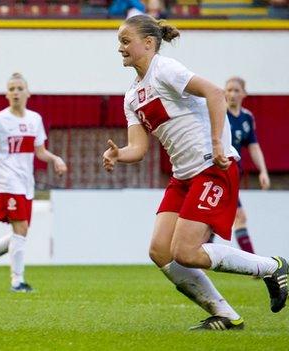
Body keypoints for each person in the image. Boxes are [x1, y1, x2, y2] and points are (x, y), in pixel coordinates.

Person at [102, 15, 287, 330]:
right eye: (119, 41)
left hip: (211, 167)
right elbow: (139, 148)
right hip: (183, 177)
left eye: (125, 41)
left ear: (148, 43)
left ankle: (273, 267)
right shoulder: (131, 96)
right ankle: (226, 315)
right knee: (160, 251)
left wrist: (217, 143)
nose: (120, 48)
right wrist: (119, 154)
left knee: (185, 251)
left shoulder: (165, 69)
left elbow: (215, 93)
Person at [0, 73, 67, 293]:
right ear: (7, 94)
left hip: (25, 182)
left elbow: (40, 152)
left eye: (19, 88)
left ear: (27, 93)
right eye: (12, 89)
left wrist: (55, 158)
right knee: (20, 228)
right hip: (6, 181)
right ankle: (17, 282)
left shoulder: (34, 120)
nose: (16, 92)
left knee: (21, 232)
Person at [208, 77, 270, 254]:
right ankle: (254, 264)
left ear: (244, 94)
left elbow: (253, 146)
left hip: (232, 176)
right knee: (237, 217)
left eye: (236, 90)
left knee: (213, 221)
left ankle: (195, 264)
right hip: (218, 173)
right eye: (228, 90)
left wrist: (263, 172)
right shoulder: (219, 113)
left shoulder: (247, 117)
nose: (232, 94)